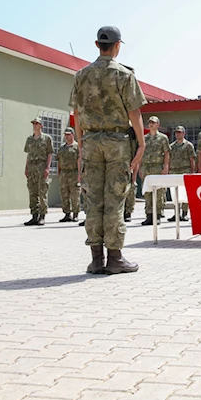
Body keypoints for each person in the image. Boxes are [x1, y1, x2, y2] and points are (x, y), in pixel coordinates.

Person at [70, 25, 145, 274]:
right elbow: (134, 112)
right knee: (114, 198)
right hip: (117, 142)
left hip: (91, 141)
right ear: (117, 45)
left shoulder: (81, 75)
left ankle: (96, 259)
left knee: (93, 199)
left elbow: (76, 112)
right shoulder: (124, 75)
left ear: (97, 45)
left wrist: (81, 143)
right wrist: (142, 143)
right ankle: (114, 258)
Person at [140, 116, 170, 225]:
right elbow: (141, 152)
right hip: (146, 167)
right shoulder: (144, 138)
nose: (151, 124)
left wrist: (165, 167)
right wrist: (140, 167)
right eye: (149, 122)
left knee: (159, 192)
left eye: (153, 122)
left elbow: (166, 153)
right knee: (147, 192)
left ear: (158, 124)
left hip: (158, 167)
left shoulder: (163, 138)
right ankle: (149, 215)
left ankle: (157, 214)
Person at [24, 118, 54, 225]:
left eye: (37, 123)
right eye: (33, 123)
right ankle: (34, 215)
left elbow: (49, 153)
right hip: (31, 167)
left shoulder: (47, 138)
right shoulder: (29, 139)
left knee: (42, 192)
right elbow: (28, 154)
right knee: (32, 191)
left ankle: (42, 216)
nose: (34, 125)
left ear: (41, 125)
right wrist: (26, 167)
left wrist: (48, 168)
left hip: (41, 166)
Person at [168, 126, 196, 222]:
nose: (178, 134)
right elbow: (169, 159)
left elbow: (192, 159)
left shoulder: (188, 145)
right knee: (174, 193)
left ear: (184, 133)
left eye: (180, 132)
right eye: (176, 132)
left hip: (185, 170)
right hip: (174, 171)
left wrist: (193, 171)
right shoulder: (171, 146)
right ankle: (176, 213)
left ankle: (184, 213)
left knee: (185, 193)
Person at [57, 127, 81, 222]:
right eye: (65, 135)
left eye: (68, 134)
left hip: (74, 173)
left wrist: (79, 175)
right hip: (64, 173)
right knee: (64, 194)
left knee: (75, 194)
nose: (66, 136)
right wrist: (59, 172)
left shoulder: (77, 147)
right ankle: (67, 214)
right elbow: (59, 160)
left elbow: (79, 161)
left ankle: (75, 214)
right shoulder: (61, 148)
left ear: (73, 135)